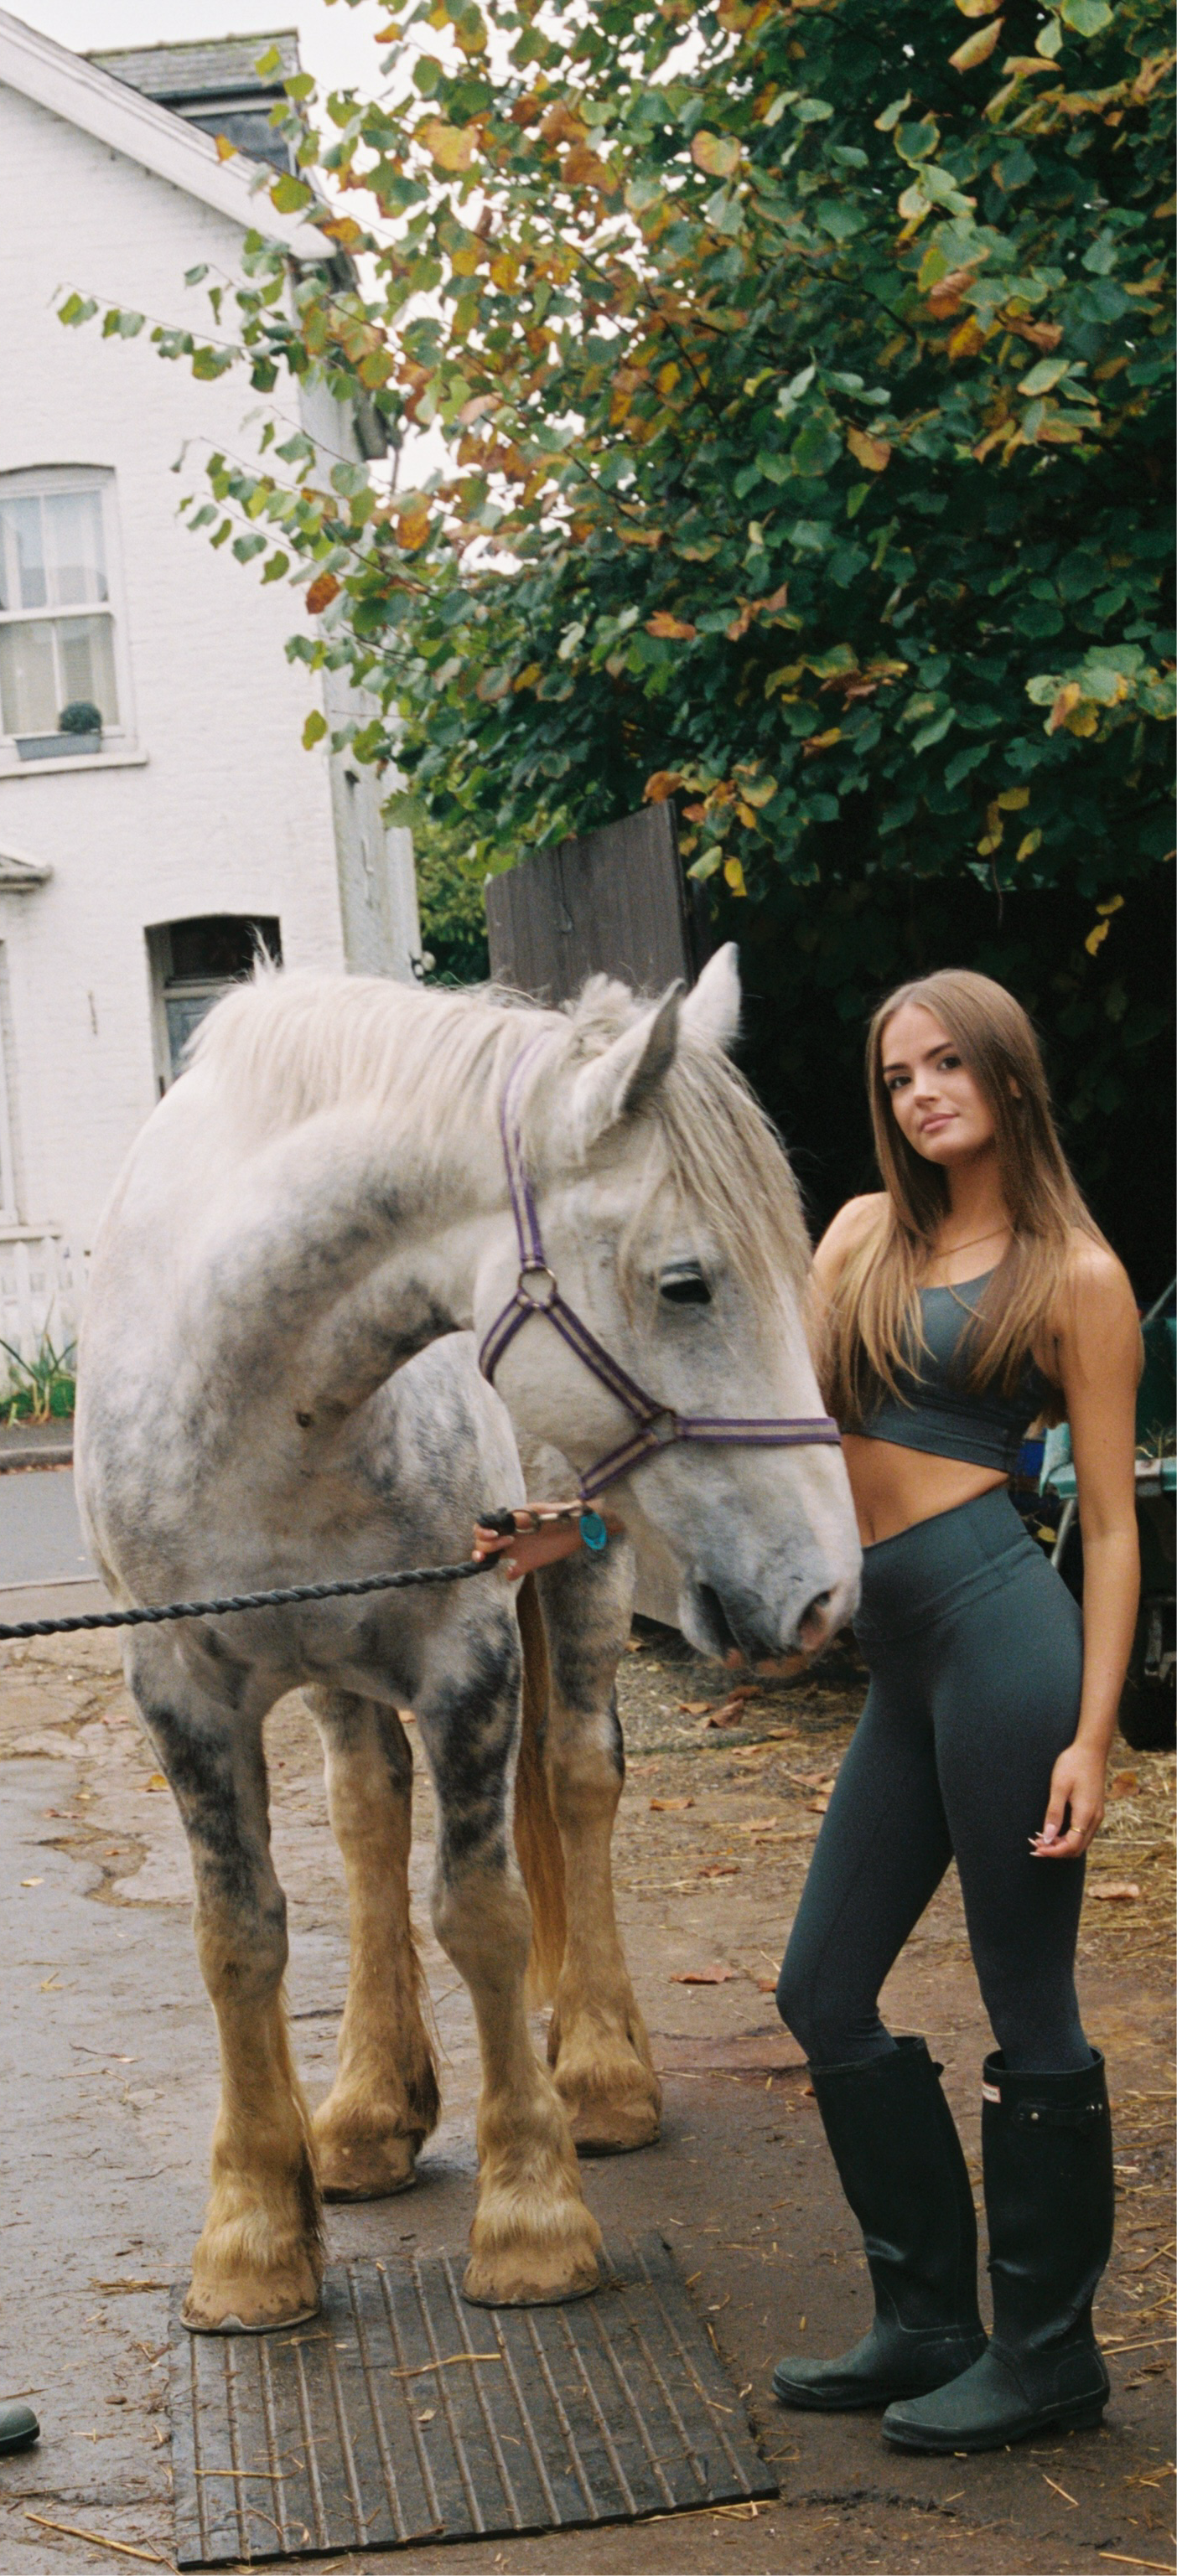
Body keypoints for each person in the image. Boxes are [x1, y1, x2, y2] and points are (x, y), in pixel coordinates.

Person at [773, 968, 1140, 2455]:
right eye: (899, 1070)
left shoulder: (1075, 1274)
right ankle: (930, 2317)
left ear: (1003, 1073)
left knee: (1026, 1998)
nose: (923, 1090)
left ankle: (1048, 2354)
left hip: (1005, 1644)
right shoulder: (858, 1233)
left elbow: (1111, 1527)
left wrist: (1094, 1737)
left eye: (947, 1064)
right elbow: (781, 1440)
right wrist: (577, 1528)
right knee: (822, 1987)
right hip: (900, 1655)